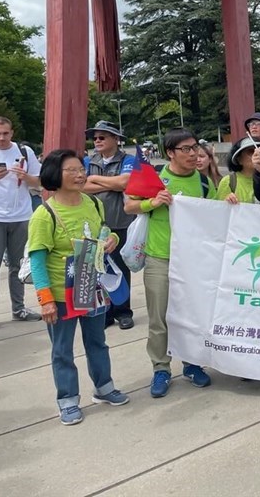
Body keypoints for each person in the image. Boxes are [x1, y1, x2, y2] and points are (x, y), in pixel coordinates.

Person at [28, 149, 129, 425]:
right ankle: (68, 400)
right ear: (53, 175)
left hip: (92, 288)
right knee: (62, 350)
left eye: (80, 169)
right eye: (70, 170)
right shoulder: (44, 213)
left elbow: (105, 231)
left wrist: (111, 241)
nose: (80, 174)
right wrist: (45, 298)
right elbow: (37, 259)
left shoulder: (93, 203)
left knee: (97, 341)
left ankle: (104, 387)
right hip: (61, 295)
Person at [123, 128, 216, 398]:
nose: (193, 153)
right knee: (159, 318)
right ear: (170, 153)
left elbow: (211, 215)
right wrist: (152, 202)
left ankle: (192, 363)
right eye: (185, 149)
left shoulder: (203, 182)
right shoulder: (156, 178)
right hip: (159, 258)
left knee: (191, 316)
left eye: (195, 147)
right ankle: (161, 368)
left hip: (192, 262)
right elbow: (130, 206)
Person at [82, 121, 137, 330]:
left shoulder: (128, 159)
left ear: (116, 139)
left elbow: (125, 183)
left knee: (120, 268)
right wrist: (109, 182)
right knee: (98, 268)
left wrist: (95, 178)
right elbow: (82, 186)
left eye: (102, 137)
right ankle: (104, 312)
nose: (97, 141)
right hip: (95, 223)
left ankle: (123, 311)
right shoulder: (89, 160)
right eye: (95, 137)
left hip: (121, 221)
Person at [0, 116, 42, 330]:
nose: (1, 138)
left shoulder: (24, 152)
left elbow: (39, 181)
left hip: (21, 216)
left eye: (5, 133)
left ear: (12, 133)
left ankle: (18, 308)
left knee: (17, 266)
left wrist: (26, 176)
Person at [217, 138, 260, 205]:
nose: (256, 155)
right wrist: (226, 201)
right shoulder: (228, 182)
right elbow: (220, 210)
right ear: (239, 159)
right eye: (251, 151)